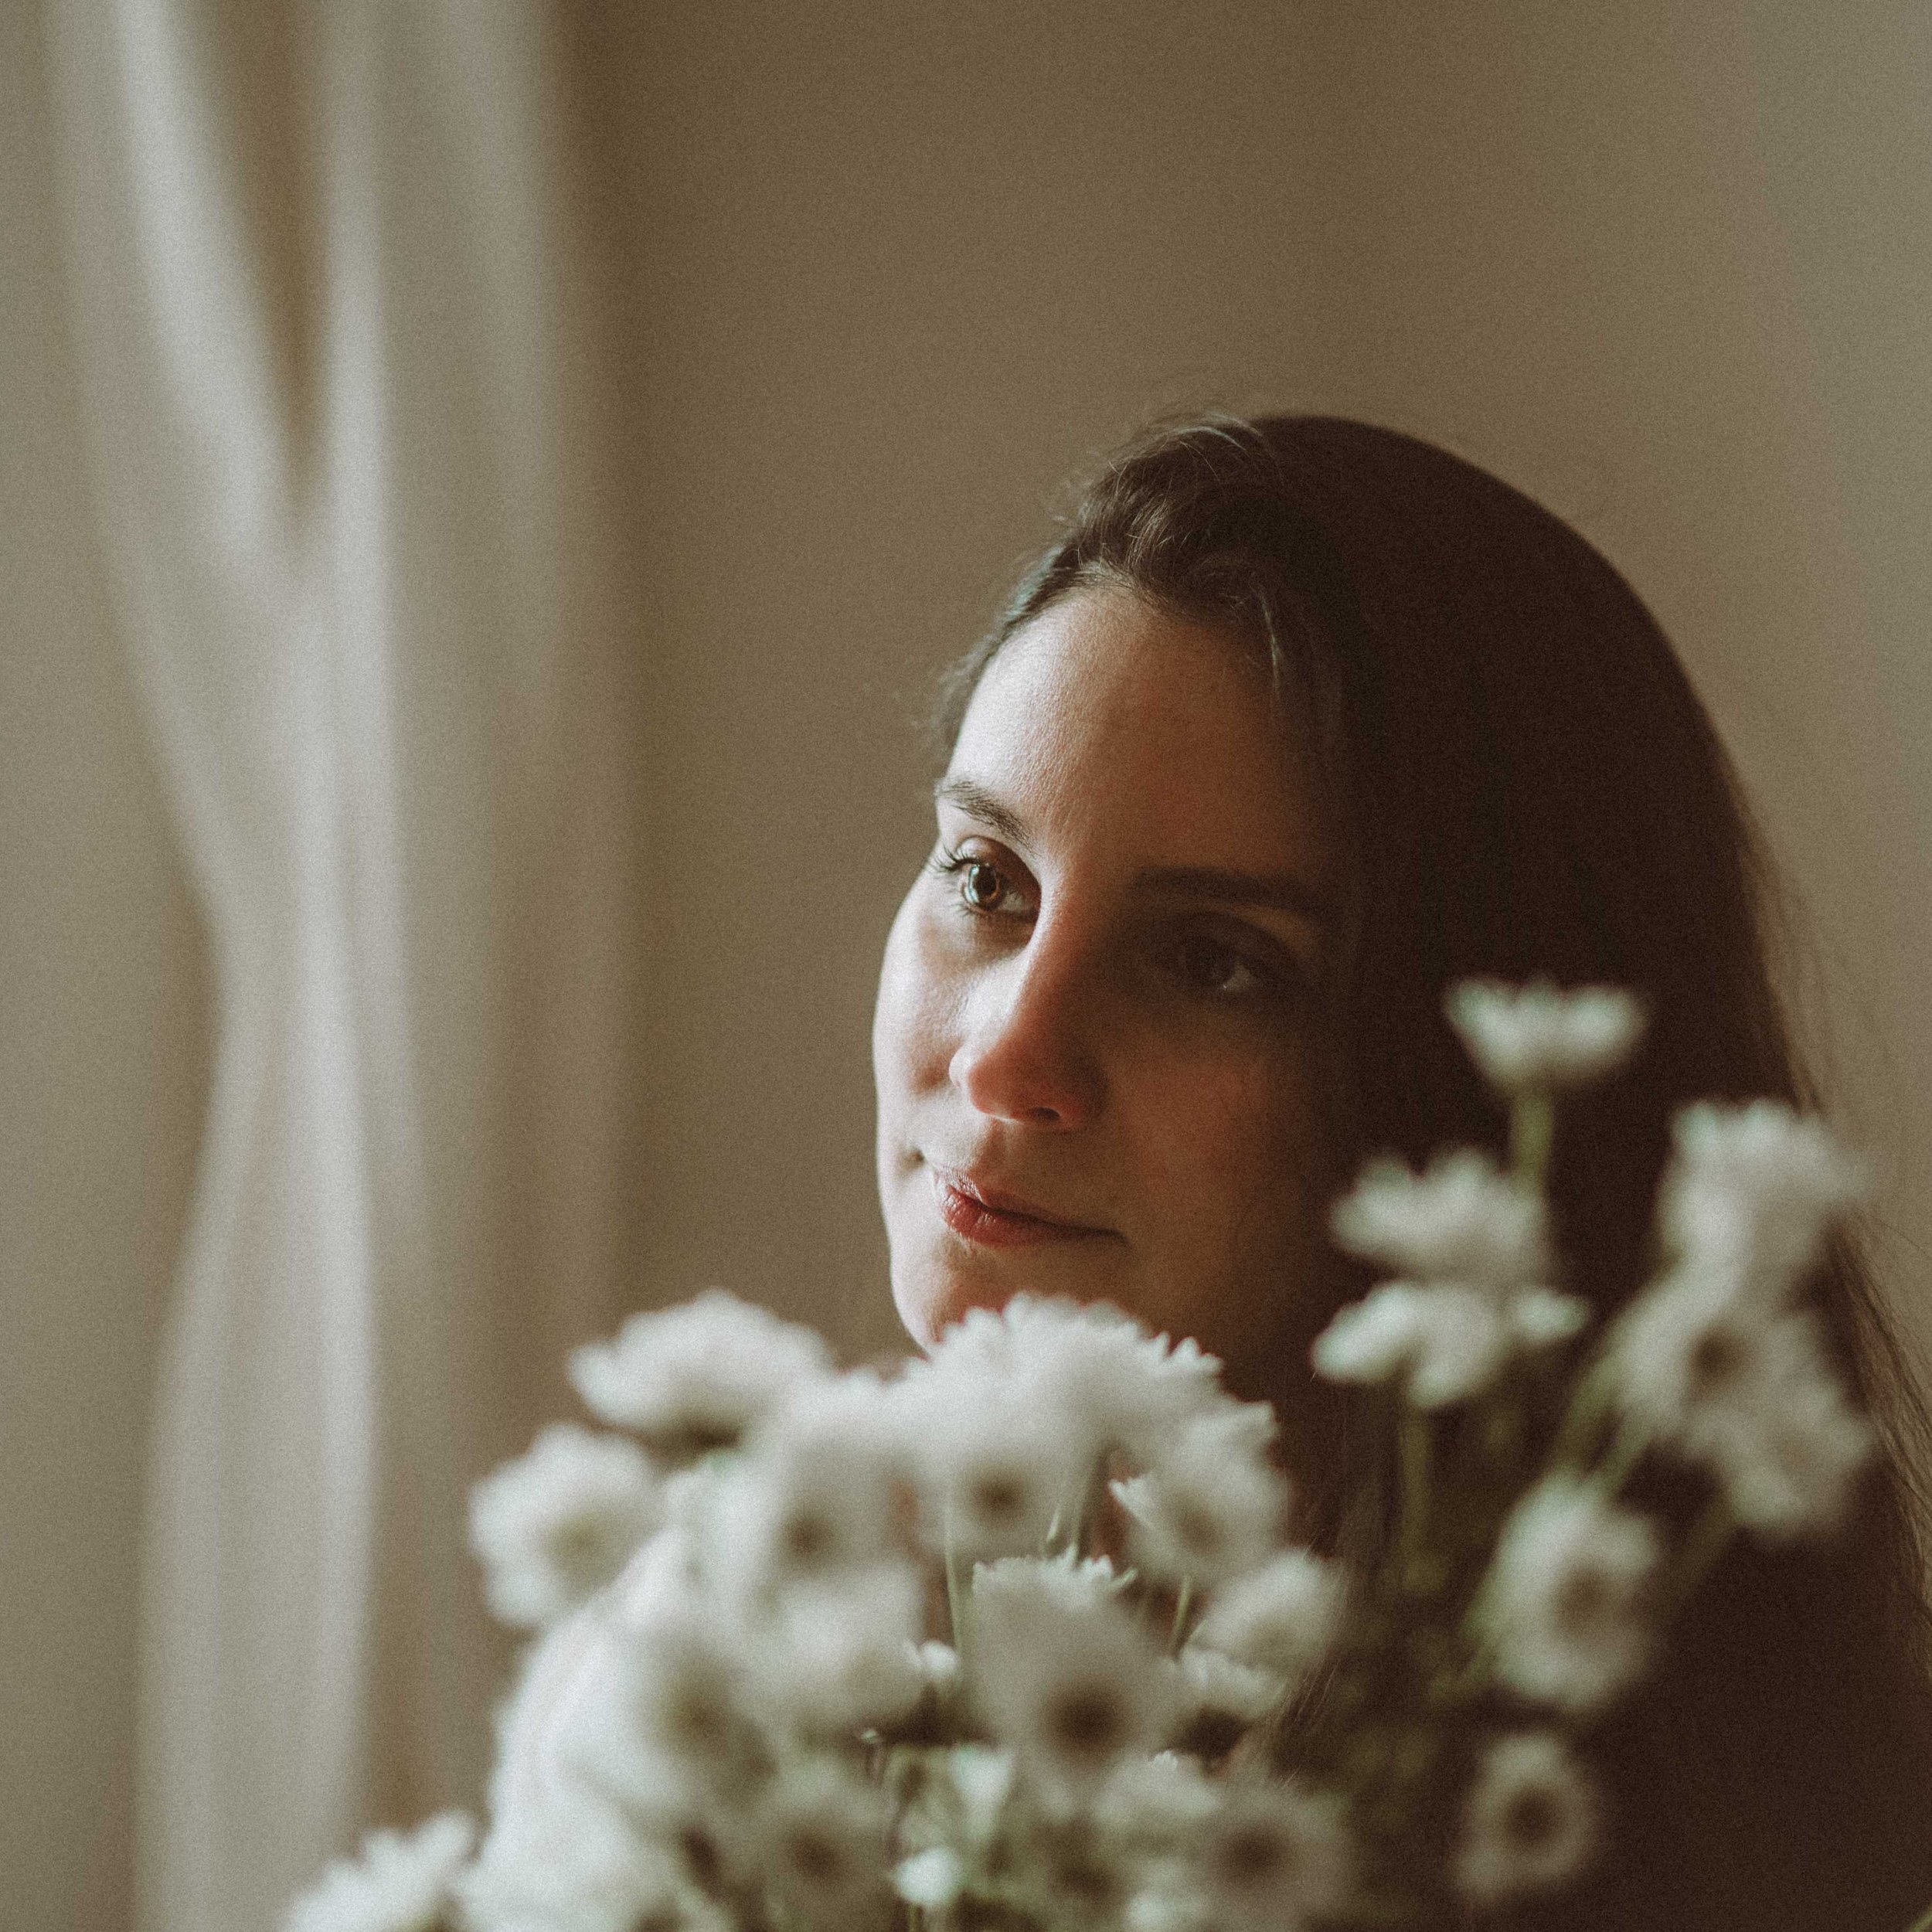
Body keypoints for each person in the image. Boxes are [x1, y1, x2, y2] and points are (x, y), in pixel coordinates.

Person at [870, 414, 1932, 1928]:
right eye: (984, 879)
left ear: (1462, 1081)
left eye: (1211, 961)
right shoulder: (722, 1675)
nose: (1002, 1054)